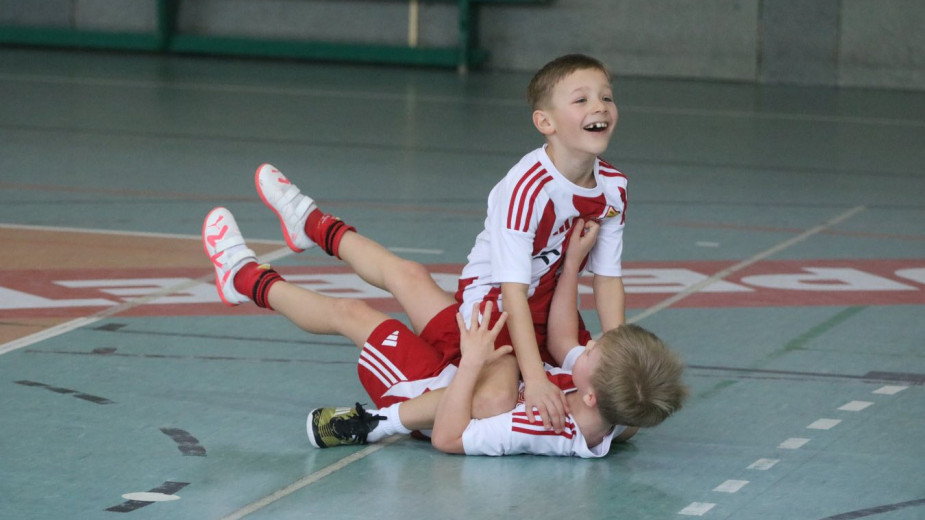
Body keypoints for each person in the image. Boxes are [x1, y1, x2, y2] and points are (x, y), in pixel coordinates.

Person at [201, 164, 686, 457]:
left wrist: (474, 363)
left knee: (353, 313)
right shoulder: (618, 409)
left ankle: (243, 278)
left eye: (595, 350)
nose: (591, 343)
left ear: (592, 397)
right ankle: (310, 223)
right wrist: (573, 264)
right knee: (411, 275)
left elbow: (450, 438)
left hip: (441, 390)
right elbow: (564, 342)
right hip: (479, 363)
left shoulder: (537, 428)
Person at [456, 53, 630, 432]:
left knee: (625, 414)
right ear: (545, 122)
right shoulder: (527, 187)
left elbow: (607, 278)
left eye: (606, 97)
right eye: (581, 99)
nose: (600, 106)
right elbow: (512, 292)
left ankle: (535, 383)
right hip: (497, 306)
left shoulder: (614, 187)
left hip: (553, 306)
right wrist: (535, 379)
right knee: (495, 401)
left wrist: (619, 354)